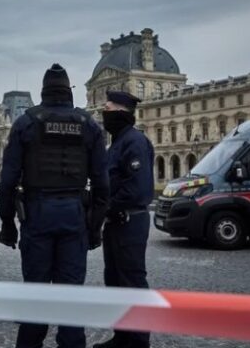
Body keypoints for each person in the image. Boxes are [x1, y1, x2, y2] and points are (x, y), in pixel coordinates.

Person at [0, 63, 109, 348]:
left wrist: (7, 223)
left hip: (36, 215)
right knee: (71, 299)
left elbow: (8, 180)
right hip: (75, 216)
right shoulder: (89, 125)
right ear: (69, 92)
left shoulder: (26, 123)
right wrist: (95, 228)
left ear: (44, 92)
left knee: (35, 297)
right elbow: (102, 185)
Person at [94, 91, 154, 348]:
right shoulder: (118, 143)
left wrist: (107, 204)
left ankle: (138, 341)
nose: (103, 113)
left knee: (132, 280)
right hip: (116, 223)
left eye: (107, 108)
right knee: (115, 280)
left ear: (121, 112)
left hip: (130, 221)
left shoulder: (135, 142)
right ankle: (122, 336)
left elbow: (138, 189)